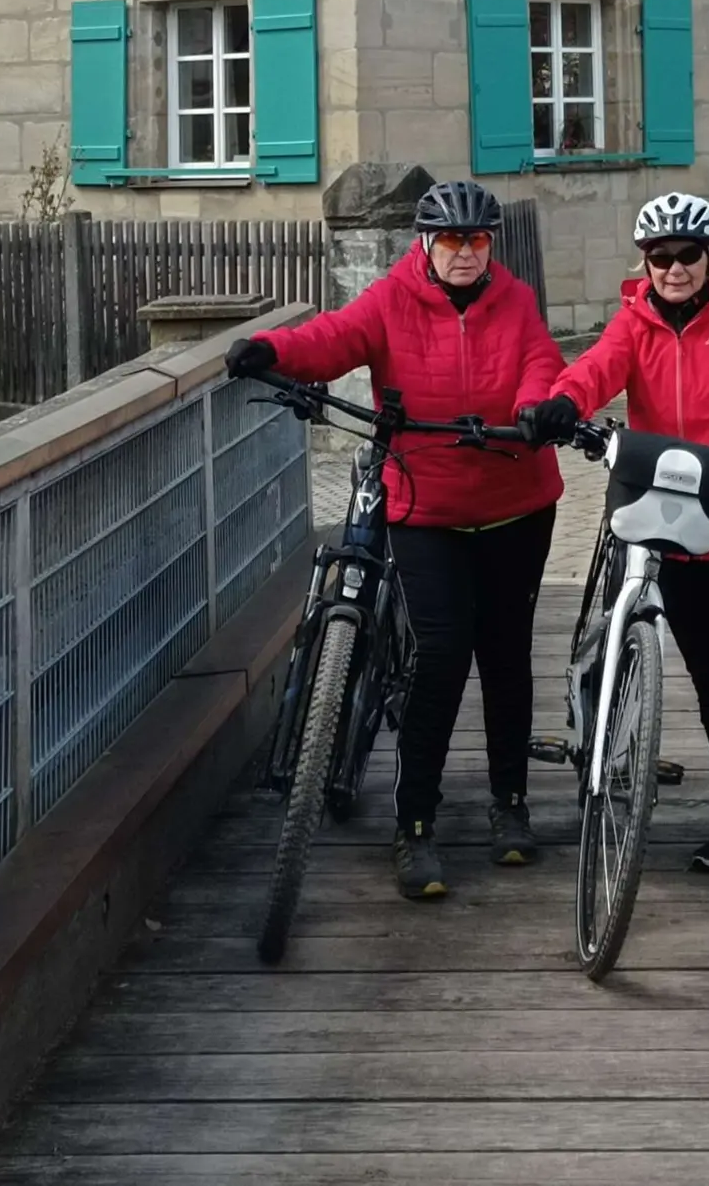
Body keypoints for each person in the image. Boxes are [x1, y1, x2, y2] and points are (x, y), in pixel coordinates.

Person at [227, 179, 563, 902]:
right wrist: (268, 347)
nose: (467, 253)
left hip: (516, 501)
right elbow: (333, 337)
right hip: (425, 504)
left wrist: (539, 407)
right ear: (426, 244)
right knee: (440, 655)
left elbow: (541, 362)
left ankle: (511, 802)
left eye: (478, 240)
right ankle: (415, 822)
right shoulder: (392, 298)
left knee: (505, 653)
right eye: (452, 240)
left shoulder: (517, 300)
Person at [520, 192, 709, 903]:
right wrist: (564, 401)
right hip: (674, 527)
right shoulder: (635, 322)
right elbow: (595, 369)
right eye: (660, 256)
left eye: (687, 255)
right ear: (644, 263)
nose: (673, 269)